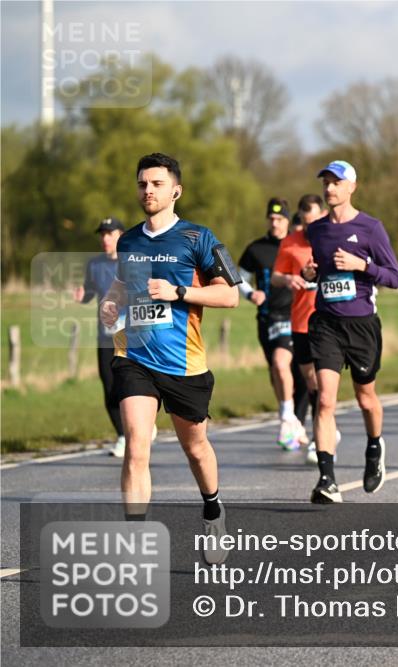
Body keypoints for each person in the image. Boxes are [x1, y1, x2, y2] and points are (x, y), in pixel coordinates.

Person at [99, 152, 240, 564]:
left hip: (184, 365)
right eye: (142, 183)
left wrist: (179, 292)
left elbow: (230, 295)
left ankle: (213, 510)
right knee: (136, 445)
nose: (148, 190)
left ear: (175, 190)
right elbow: (122, 287)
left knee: (196, 449)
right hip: (135, 357)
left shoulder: (199, 238)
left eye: (157, 184)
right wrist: (111, 305)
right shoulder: (128, 241)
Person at [302, 160, 398, 503]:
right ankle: (327, 480)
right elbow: (316, 272)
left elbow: (395, 277)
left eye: (336, 182)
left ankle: (375, 447)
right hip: (326, 323)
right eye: (326, 182)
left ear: (351, 187)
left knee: (365, 398)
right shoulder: (315, 231)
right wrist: (310, 271)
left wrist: (363, 266)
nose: (330, 188)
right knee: (326, 399)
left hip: (362, 325)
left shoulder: (370, 228)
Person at [272, 193, 340, 464]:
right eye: (304, 222)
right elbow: (276, 277)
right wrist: (289, 278)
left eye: (314, 221)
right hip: (300, 322)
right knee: (311, 381)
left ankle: (320, 439)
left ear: (323, 214)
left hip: (329, 320)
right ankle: (327, 428)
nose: (309, 227)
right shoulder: (290, 242)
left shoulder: (335, 236)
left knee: (323, 383)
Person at [238, 198, 306, 451]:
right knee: (277, 371)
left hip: (295, 315)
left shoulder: (297, 245)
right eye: (271, 219)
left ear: (288, 221)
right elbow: (239, 277)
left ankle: (289, 418)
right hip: (267, 318)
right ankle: (294, 424)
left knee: (286, 365)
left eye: (280, 219)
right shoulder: (256, 248)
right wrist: (250, 294)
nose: (275, 223)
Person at [75, 217, 128, 457]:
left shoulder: (132, 262)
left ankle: (140, 427)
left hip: (131, 335)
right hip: (105, 336)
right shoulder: (94, 265)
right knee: (109, 388)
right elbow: (88, 293)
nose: (105, 238)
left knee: (131, 384)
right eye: (102, 234)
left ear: (121, 235)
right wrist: (81, 295)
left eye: (110, 233)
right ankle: (123, 435)